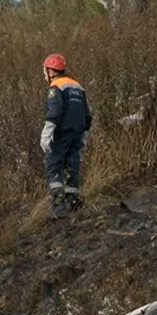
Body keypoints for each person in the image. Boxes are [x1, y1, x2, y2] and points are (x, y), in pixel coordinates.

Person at [41, 53, 93, 217]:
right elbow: (87, 114)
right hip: (77, 133)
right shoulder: (78, 87)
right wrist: (84, 132)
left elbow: (55, 111)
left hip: (62, 133)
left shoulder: (56, 87)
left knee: (53, 163)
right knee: (73, 165)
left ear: (50, 71)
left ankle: (58, 204)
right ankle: (73, 201)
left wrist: (47, 131)